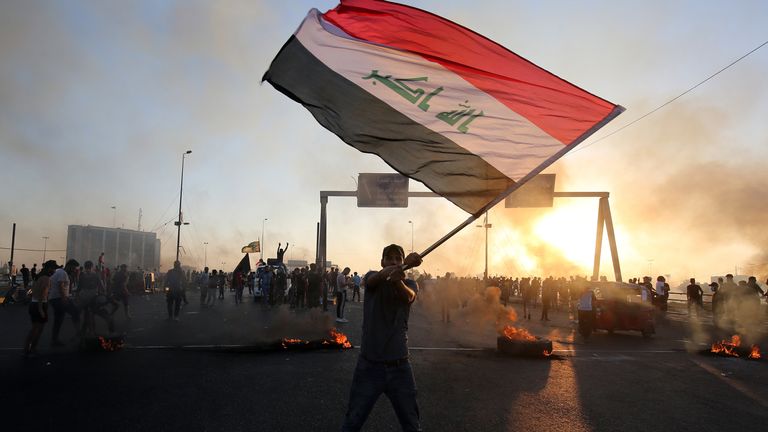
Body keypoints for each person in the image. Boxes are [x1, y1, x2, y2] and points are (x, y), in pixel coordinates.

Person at [342, 244, 422, 432]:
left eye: (398, 259)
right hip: (369, 366)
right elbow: (372, 280)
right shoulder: (372, 277)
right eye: (390, 258)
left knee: (412, 425)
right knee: (352, 422)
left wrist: (398, 280)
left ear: (403, 262)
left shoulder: (409, 284)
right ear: (382, 262)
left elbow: (409, 297)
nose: (394, 261)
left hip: (400, 367)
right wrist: (395, 271)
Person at [24, 261, 55, 357]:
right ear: (49, 269)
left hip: (33, 303)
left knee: (34, 329)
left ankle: (27, 349)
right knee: (38, 329)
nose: (54, 270)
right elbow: (44, 293)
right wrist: (41, 308)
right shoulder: (46, 279)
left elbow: (31, 291)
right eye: (53, 268)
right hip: (40, 304)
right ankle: (32, 349)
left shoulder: (38, 277)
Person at [48, 259, 81, 346]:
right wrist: (64, 299)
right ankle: (79, 334)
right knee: (76, 312)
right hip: (59, 298)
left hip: (54, 298)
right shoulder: (63, 273)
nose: (74, 270)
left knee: (58, 319)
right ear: (70, 266)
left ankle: (54, 340)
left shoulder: (60, 272)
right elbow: (61, 286)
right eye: (74, 268)